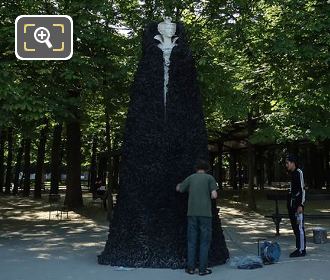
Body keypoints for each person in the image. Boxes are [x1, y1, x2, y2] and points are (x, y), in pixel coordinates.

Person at [176, 159, 218, 275]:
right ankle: (202, 270)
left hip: (192, 213)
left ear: (196, 168)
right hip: (205, 214)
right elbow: (214, 195)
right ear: (207, 169)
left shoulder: (191, 177)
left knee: (192, 241)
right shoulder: (210, 178)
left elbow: (179, 189)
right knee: (204, 241)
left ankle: (190, 268)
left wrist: (179, 185)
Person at [286, 154, 306, 257]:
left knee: (299, 227)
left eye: (287, 163)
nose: (286, 165)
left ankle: (301, 250)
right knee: (295, 227)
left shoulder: (299, 173)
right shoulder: (292, 174)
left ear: (293, 163)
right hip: (292, 206)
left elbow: (302, 189)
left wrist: (301, 205)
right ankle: (299, 247)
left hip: (298, 206)